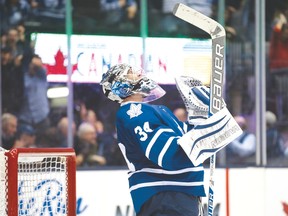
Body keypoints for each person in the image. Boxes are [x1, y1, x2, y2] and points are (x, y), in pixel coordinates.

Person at [100, 63, 208, 216]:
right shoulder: (133, 112)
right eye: (131, 73)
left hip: (177, 194)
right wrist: (210, 133)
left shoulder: (155, 110)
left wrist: (201, 119)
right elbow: (169, 154)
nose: (139, 74)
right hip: (166, 194)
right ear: (122, 85)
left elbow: (188, 139)